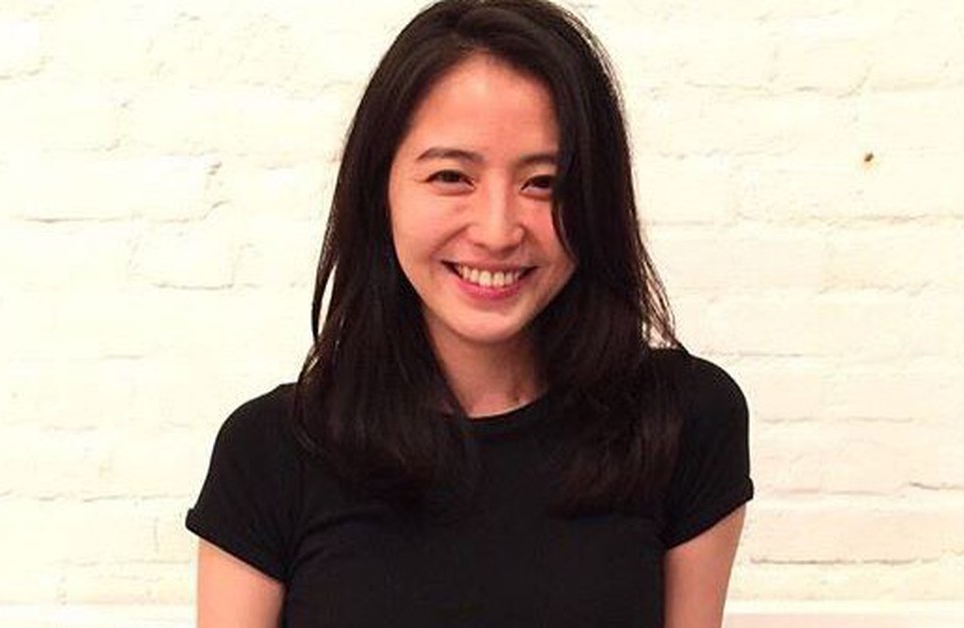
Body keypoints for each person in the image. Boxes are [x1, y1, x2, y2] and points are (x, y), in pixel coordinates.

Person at [186, 0, 752, 626]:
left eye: (543, 182)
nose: (497, 230)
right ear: (380, 189)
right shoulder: (270, 453)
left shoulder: (683, 423)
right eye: (452, 176)